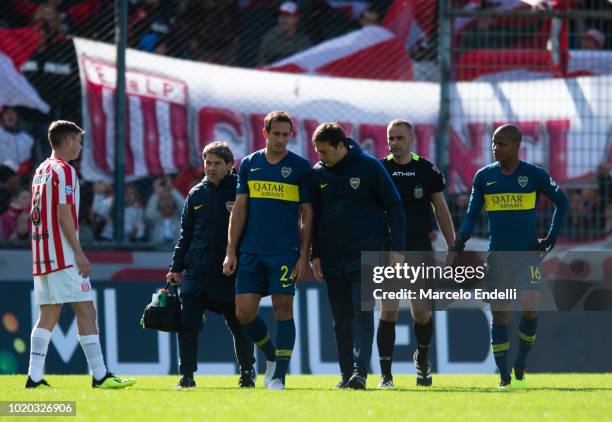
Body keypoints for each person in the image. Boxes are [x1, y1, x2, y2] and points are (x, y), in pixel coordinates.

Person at [452, 124, 569, 389]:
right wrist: (461, 238)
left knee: (530, 306)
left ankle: (522, 361)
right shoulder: (484, 177)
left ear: (517, 146)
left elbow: (562, 202)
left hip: (528, 255)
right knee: (500, 316)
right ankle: (504, 376)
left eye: (501, 143)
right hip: (498, 258)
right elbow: (472, 213)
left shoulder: (534, 175)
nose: (495, 148)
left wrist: (551, 237)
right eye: (493, 143)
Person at [26, 120, 136, 389]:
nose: (80, 146)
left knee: (49, 313)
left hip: (42, 255)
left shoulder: (41, 170)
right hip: (63, 255)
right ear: (67, 142)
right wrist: (79, 253)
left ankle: (34, 377)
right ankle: (100, 375)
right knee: (86, 308)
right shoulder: (65, 171)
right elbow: (64, 215)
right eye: (78, 140)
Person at [310, 122, 405, 390]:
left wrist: (396, 249)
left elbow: (394, 207)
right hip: (332, 256)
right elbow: (313, 218)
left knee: (362, 312)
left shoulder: (369, 166)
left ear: (341, 146)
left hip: (367, 254)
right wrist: (315, 254)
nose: (320, 157)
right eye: (318, 152)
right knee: (340, 318)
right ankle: (345, 374)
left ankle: (359, 372)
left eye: (325, 151)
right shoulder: (318, 174)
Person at [223, 111, 312, 390]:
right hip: (250, 251)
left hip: (284, 252)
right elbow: (239, 209)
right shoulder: (250, 163)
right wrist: (231, 250)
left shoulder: (300, 168)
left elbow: (307, 214)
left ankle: (279, 376)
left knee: (283, 311)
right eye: (277, 134)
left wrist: (303, 255)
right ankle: (272, 356)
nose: (282, 139)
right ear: (266, 133)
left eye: (286, 135)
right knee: (244, 312)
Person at [166, 142, 256, 389]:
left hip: (229, 274)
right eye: (208, 163)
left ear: (230, 165)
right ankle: (186, 376)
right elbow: (185, 235)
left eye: (217, 163)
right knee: (187, 325)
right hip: (196, 274)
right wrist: (176, 267)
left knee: (239, 325)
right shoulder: (196, 194)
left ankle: (248, 371)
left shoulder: (241, 192)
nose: (212, 168)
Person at [377, 119, 455, 389]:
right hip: (388, 248)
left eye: (400, 138)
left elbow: (441, 210)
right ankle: (386, 375)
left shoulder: (426, 170)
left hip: (419, 246)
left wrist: (452, 245)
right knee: (388, 311)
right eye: (391, 138)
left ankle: (422, 357)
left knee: (421, 313)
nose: (394, 143)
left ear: (411, 139)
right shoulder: (380, 168)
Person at [256, 1, 312, 66]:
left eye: (287, 16)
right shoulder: (270, 37)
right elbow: (261, 63)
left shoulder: (304, 41)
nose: (283, 19)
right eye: (281, 15)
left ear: (296, 19)